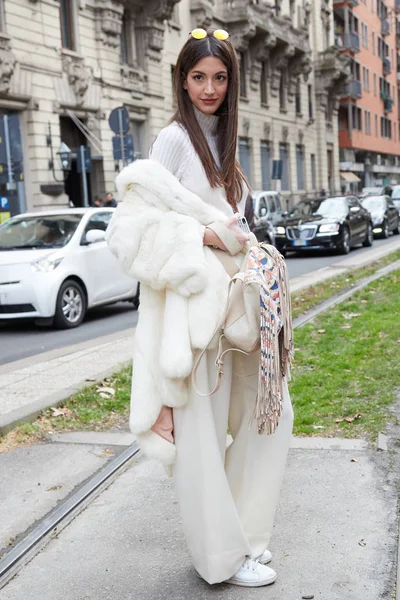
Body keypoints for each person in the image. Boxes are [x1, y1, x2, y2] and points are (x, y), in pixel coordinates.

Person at [106, 28, 293, 588]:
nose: (208, 88)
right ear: (181, 80)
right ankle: (220, 557)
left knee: (272, 416)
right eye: (197, 77)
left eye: (218, 77)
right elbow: (131, 234)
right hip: (192, 316)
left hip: (239, 309)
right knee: (203, 440)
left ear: (231, 82)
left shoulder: (227, 143)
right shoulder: (171, 141)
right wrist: (205, 241)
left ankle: (244, 541)